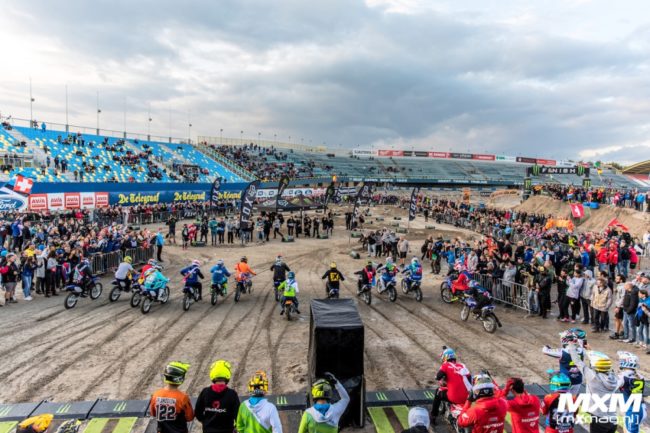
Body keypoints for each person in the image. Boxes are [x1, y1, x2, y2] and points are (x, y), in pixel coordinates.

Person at [568, 345, 618, 433]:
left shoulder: (593, 377)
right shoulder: (613, 377)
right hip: (613, 420)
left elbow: (577, 361)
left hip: (600, 420)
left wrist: (571, 345)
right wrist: (591, 351)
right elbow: (599, 366)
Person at [195, 360, 240, 433]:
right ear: (227, 374)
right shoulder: (232, 394)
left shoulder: (205, 392)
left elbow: (198, 412)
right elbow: (238, 415)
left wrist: (205, 422)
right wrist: (235, 427)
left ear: (212, 374)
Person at [150, 362, 195, 433]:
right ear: (180, 379)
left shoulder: (156, 394)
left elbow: (153, 413)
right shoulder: (183, 397)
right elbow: (190, 417)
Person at [431, 347, 472, 424]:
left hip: (454, 397)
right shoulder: (462, 366)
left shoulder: (445, 365)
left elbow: (438, 376)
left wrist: (437, 377)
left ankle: (433, 416)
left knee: (438, 392)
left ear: (445, 357)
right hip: (467, 397)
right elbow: (469, 379)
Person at [542, 331, 584, 395]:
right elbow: (583, 344)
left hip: (564, 382)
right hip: (578, 380)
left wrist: (546, 346)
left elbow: (545, 351)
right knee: (572, 398)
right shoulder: (581, 350)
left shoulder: (562, 351)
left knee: (563, 399)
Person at [616, 351, 646, 433]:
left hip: (632, 411)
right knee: (627, 428)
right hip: (641, 408)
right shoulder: (640, 376)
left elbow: (611, 387)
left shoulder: (622, 377)